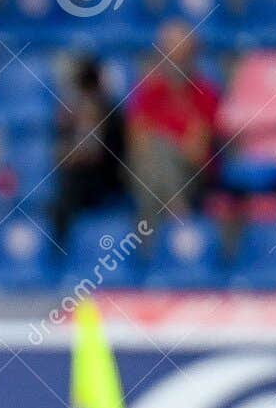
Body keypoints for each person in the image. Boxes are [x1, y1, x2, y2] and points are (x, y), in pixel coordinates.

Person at [126, 20, 220, 222]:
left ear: (193, 55)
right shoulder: (148, 91)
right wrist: (167, 142)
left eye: (182, 54)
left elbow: (196, 152)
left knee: (160, 152)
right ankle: (176, 212)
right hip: (147, 172)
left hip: (191, 177)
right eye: (170, 53)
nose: (176, 61)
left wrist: (163, 142)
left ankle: (154, 228)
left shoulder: (205, 93)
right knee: (155, 156)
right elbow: (138, 145)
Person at [50, 57, 128, 244]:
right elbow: (61, 155)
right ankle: (58, 249)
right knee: (67, 186)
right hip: (77, 178)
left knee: (72, 186)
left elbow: (106, 155)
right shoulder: (70, 116)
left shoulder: (112, 114)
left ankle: (60, 245)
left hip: (106, 180)